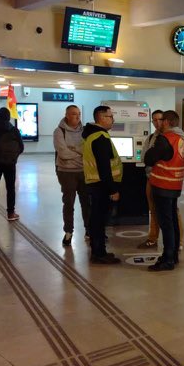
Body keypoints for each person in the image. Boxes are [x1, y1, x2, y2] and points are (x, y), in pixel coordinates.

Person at [144, 110, 184, 271]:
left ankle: (168, 259)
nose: (159, 123)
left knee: (166, 223)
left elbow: (148, 158)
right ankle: (173, 255)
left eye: (161, 120)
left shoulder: (165, 139)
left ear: (167, 122)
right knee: (173, 221)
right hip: (175, 184)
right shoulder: (181, 138)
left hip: (162, 184)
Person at [82, 105, 122, 264]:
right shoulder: (100, 137)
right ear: (101, 118)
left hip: (94, 184)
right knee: (99, 220)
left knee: (96, 219)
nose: (113, 120)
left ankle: (98, 251)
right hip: (101, 185)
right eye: (110, 116)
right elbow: (104, 167)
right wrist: (113, 189)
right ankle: (99, 253)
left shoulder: (91, 135)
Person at [54, 104, 90, 246]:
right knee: (68, 203)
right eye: (74, 114)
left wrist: (73, 150)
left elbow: (87, 150)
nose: (78, 116)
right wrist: (78, 152)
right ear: (67, 115)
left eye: (79, 113)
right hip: (66, 172)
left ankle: (89, 230)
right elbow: (63, 153)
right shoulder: (59, 131)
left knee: (86, 202)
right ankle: (68, 231)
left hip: (84, 172)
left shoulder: (85, 131)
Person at [139, 109, 164, 248]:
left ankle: (177, 241)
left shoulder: (170, 137)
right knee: (153, 209)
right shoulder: (151, 138)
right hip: (150, 178)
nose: (156, 122)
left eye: (159, 119)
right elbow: (144, 157)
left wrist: (154, 159)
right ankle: (152, 238)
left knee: (172, 211)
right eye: (154, 120)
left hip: (164, 180)